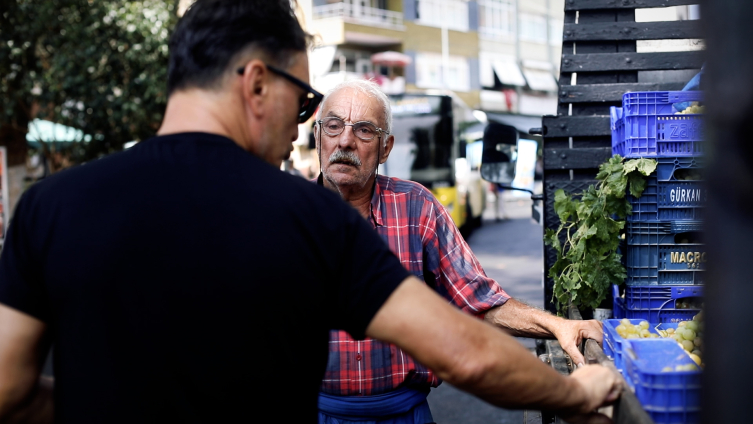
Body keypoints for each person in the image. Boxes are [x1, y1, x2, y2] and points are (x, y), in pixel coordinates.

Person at [0, 1, 620, 423]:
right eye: (307, 110)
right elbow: (469, 355)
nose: (309, 133)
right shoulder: (305, 217)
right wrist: (572, 392)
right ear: (256, 83)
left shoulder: (49, 207)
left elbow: (8, 392)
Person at [314, 79, 608, 423]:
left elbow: (477, 301)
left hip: (404, 414)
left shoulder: (416, 207)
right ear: (318, 136)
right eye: (333, 126)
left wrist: (558, 325)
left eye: (364, 130)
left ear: (385, 148)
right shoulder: (290, 217)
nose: (345, 140)